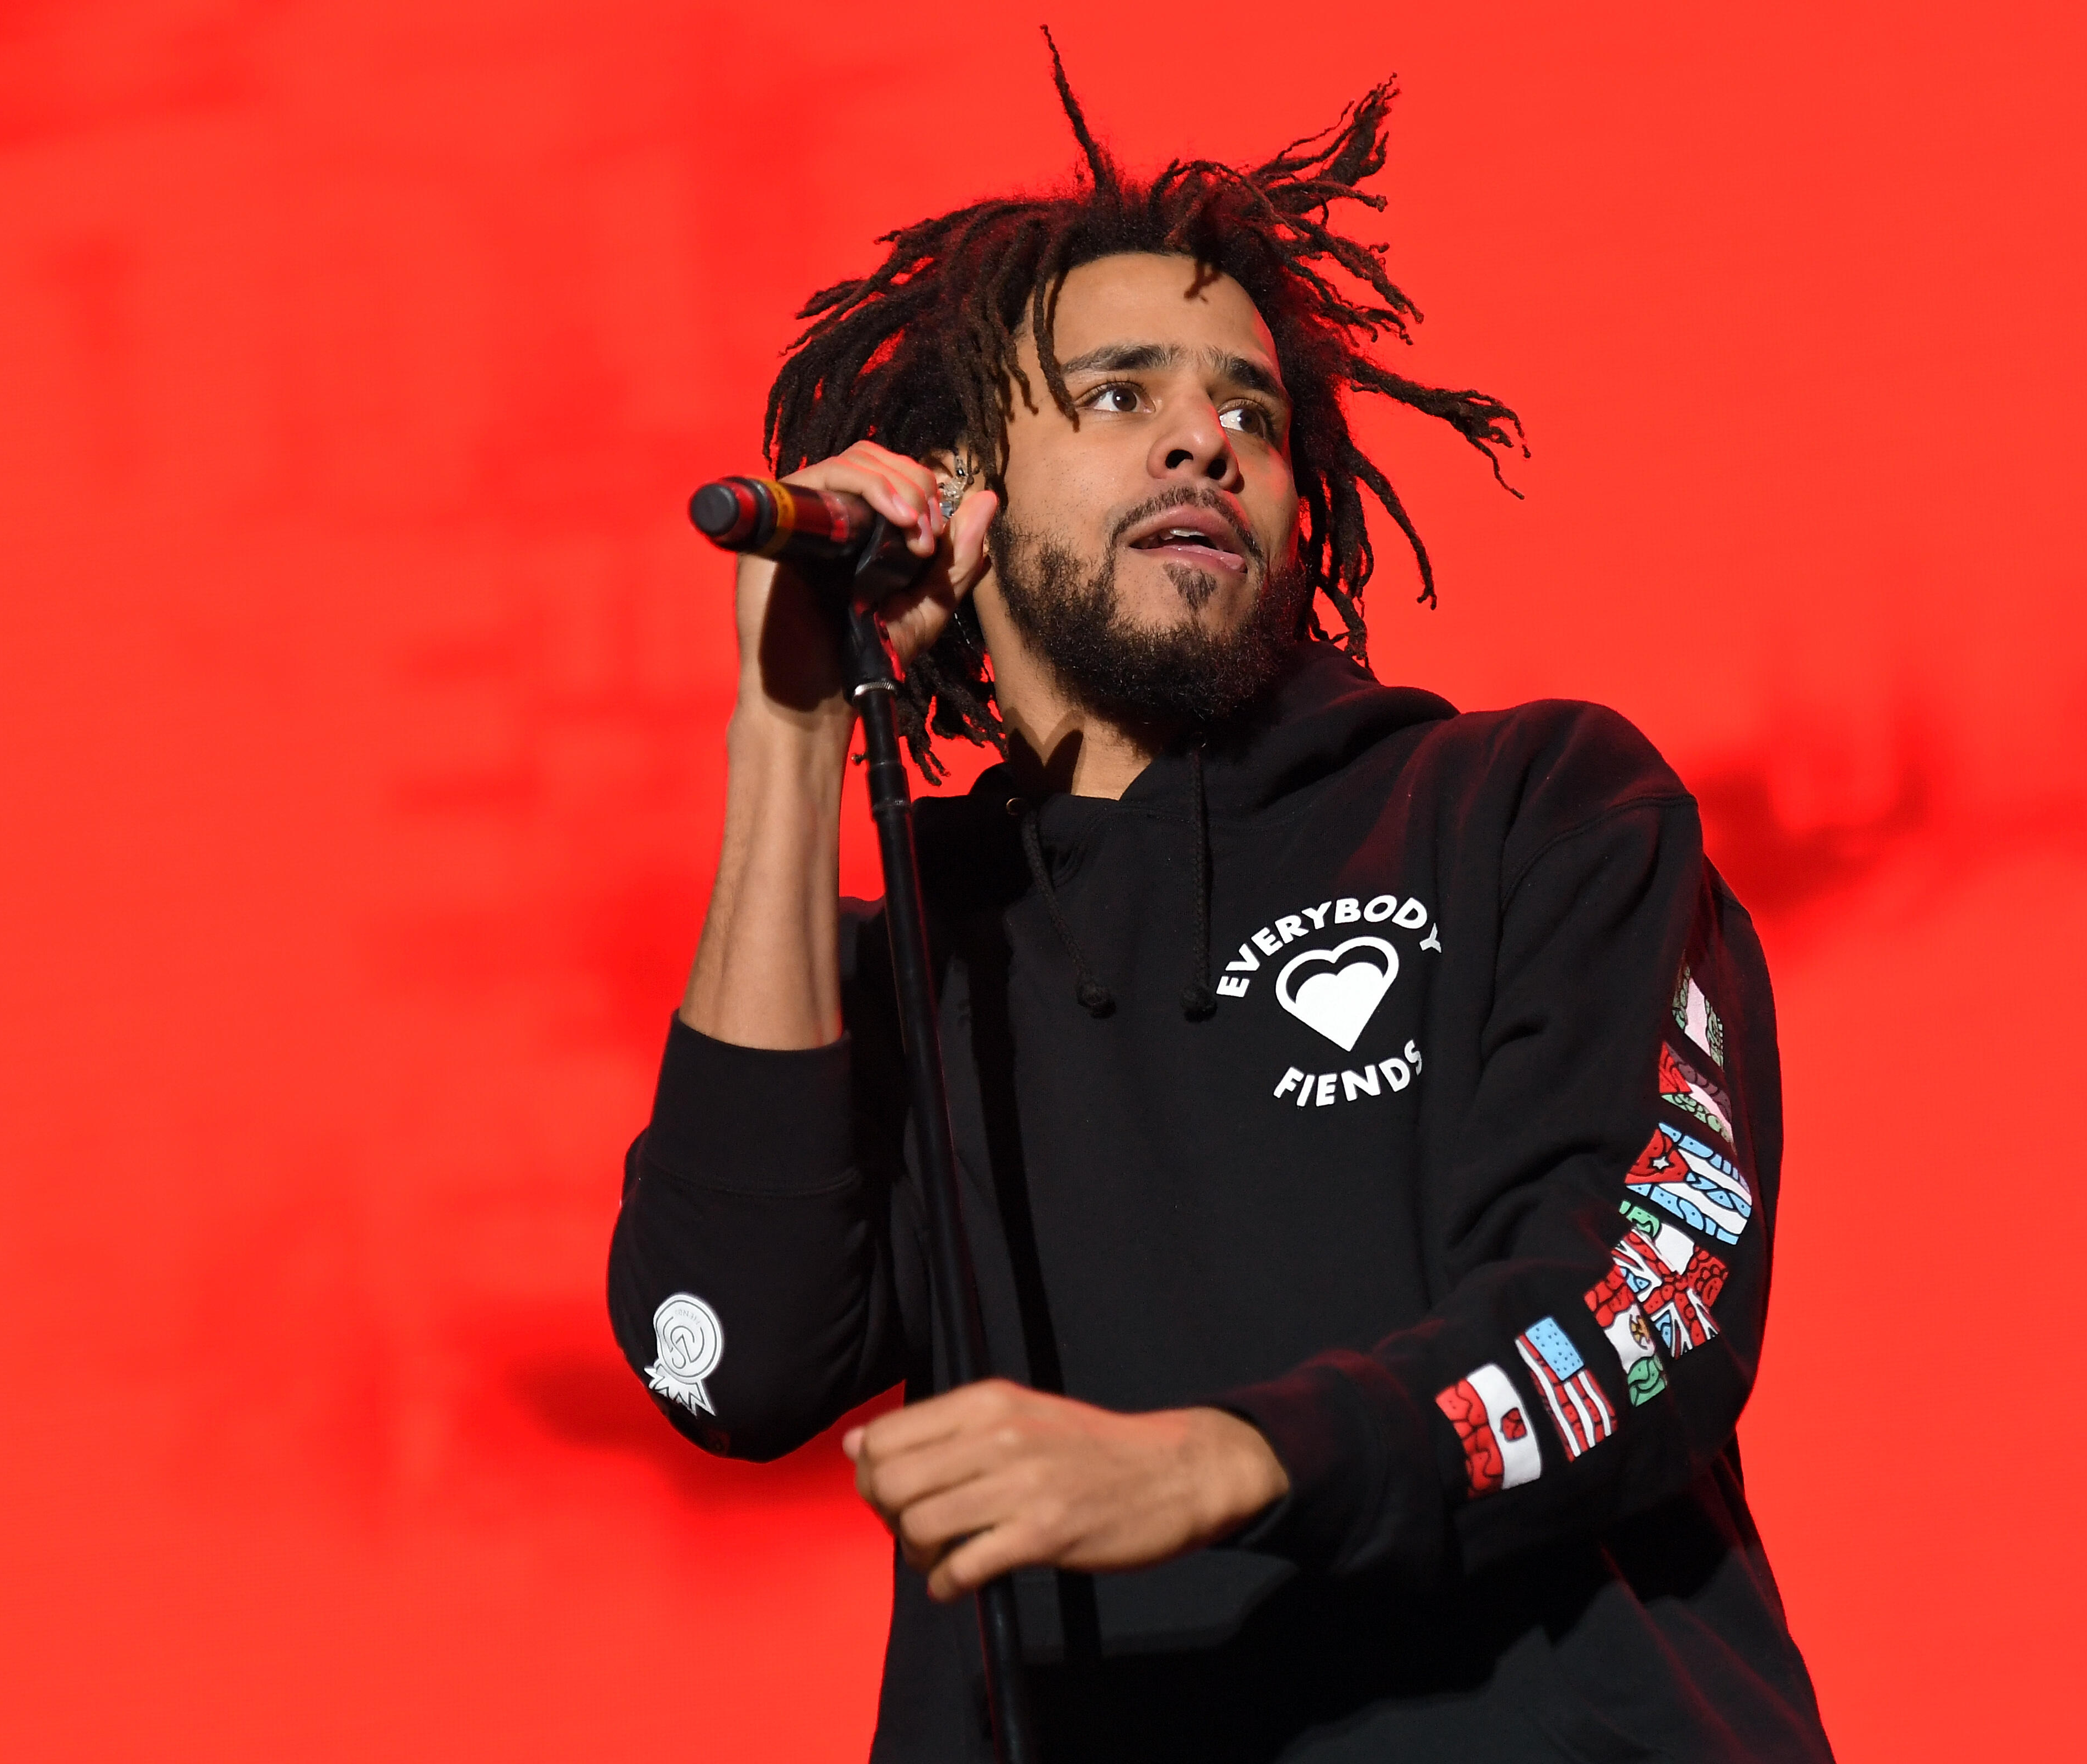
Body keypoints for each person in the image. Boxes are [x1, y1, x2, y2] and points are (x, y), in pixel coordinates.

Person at [608, 44, 1836, 1763]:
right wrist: (791, 728)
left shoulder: (1531, 811)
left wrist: (1217, 1462)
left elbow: (1644, 1306)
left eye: (1249, 411)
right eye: (1119, 394)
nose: (1206, 434)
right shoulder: (920, 966)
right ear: (956, 496)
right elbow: (716, 1361)